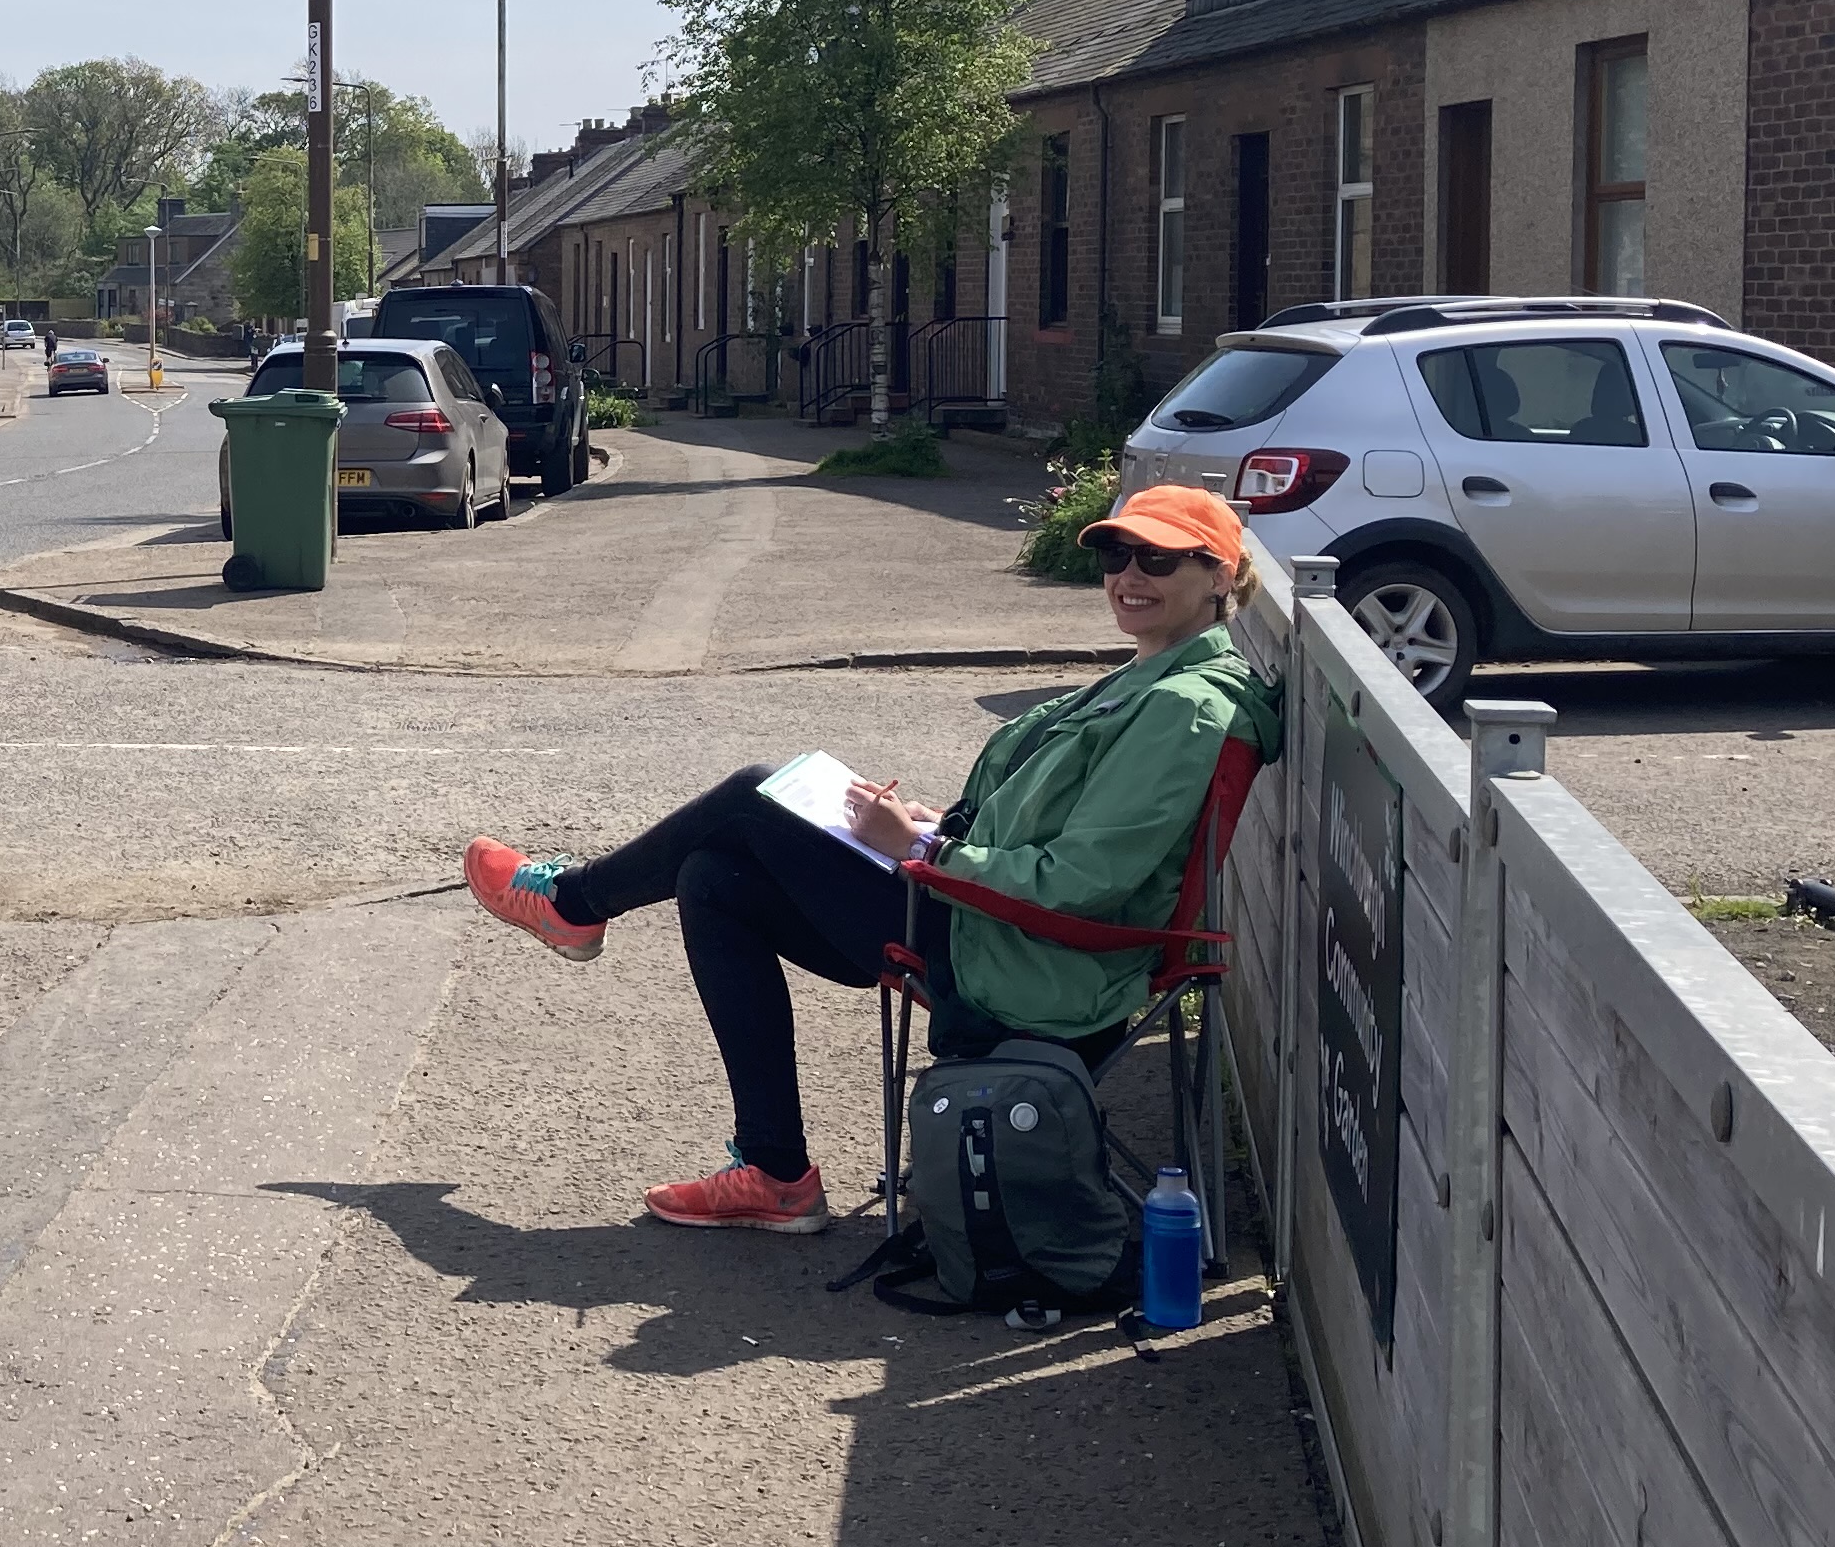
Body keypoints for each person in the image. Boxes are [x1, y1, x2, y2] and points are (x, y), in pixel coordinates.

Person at [458, 482, 1281, 1235]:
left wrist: (923, 847)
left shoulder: (1184, 711)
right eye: (1115, 554)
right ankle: (775, 1175)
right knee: (712, 880)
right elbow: (1044, 831)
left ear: (1219, 579)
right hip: (983, 923)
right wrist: (928, 823)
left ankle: (573, 901)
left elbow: (1085, 886)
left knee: (754, 793)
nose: (1128, 575)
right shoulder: (1144, 678)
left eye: (1159, 559)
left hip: (1032, 965)